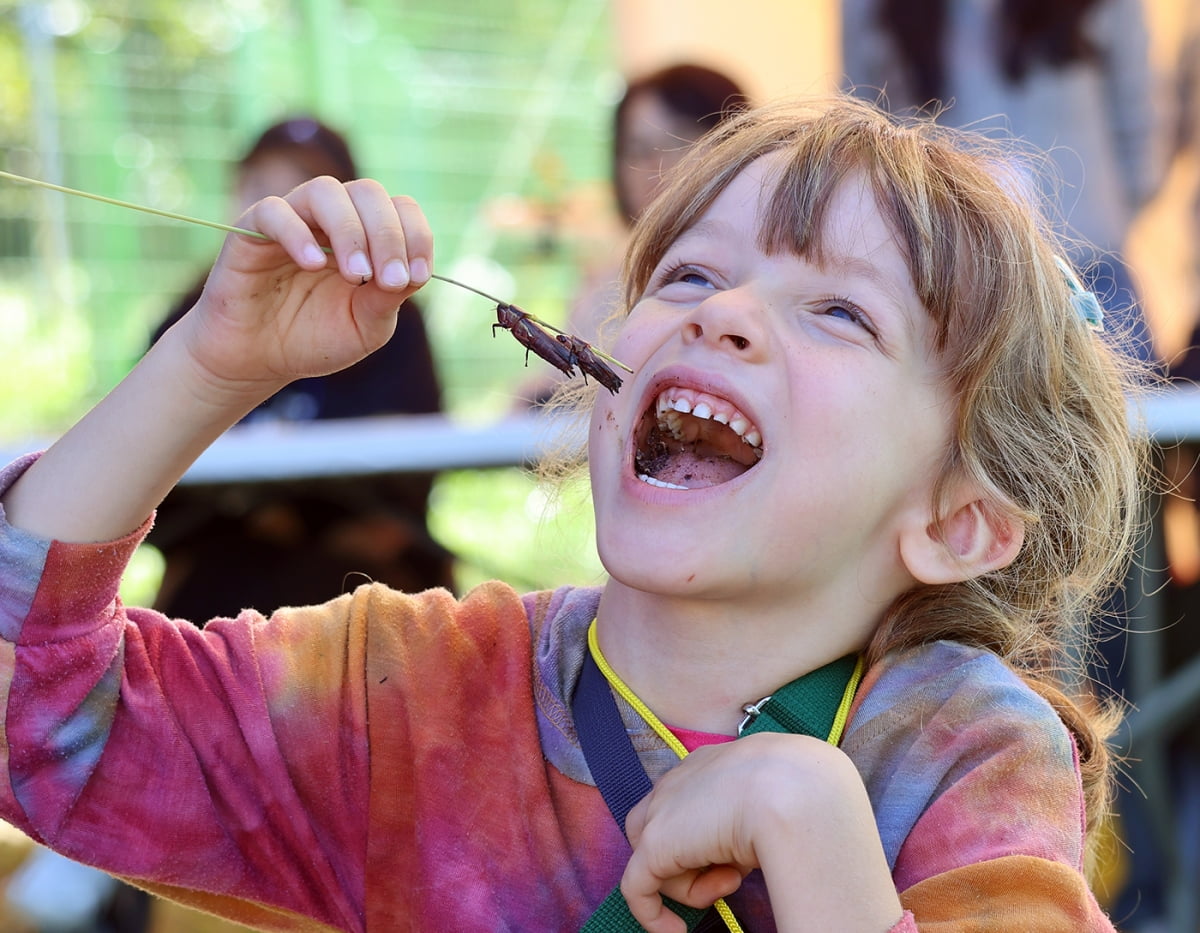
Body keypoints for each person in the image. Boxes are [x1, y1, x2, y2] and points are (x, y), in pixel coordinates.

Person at [0, 94, 1148, 931]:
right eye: (690, 276)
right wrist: (210, 364)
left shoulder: (968, 755)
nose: (723, 314)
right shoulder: (411, 691)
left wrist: (811, 827)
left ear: (957, 518)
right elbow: (36, 710)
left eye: (841, 312)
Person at [147, 116, 454, 622]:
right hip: (226, 557)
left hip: (356, 561)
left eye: (302, 191)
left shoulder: (389, 312)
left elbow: (413, 454)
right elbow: (153, 470)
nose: (278, 211)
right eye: (260, 189)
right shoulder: (191, 311)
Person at [839, 0, 1162, 366]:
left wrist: (1098, 221)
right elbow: (859, 131)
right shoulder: (866, 8)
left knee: (1132, 418)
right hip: (942, 288)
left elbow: (1141, 128)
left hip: (1090, 273)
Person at [517, 63, 748, 405]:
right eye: (638, 149)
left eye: (678, 140)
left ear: (736, 141)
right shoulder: (608, 286)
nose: (656, 166)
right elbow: (557, 388)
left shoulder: (763, 274)